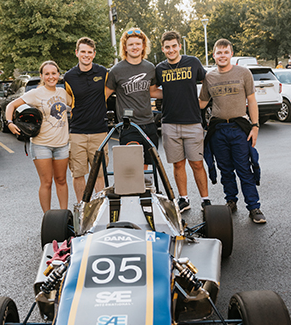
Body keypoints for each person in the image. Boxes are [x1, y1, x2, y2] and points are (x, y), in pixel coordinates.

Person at [199, 38, 266, 224]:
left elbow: (252, 101)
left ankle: (254, 207)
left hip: (239, 128)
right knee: (225, 169)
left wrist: (255, 126)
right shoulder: (209, 77)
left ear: (231, 54)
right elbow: (202, 103)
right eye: (218, 53)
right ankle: (231, 201)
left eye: (225, 52)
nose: (222, 55)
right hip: (218, 129)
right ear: (213, 55)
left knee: (244, 168)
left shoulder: (243, 73)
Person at [155, 30, 211, 212]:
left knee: (197, 163)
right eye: (167, 47)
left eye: (174, 46)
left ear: (179, 46)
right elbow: (152, 90)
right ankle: (184, 199)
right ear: (163, 49)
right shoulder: (160, 69)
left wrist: (202, 102)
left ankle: (205, 200)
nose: (171, 50)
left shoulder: (192, 62)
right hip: (170, 123)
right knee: (178, 164)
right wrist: (170, 94)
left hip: (193, 121)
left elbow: (207, 81)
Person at [6, 60, 72, 213]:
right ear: (42, 76)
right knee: (46, 182)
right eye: (47, 74)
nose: (51, 77)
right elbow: (11, 105)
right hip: (42, 144)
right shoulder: (36, 93)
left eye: (53, 73)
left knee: (61, 180)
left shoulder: (63, 93)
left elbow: (76, 106)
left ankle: (63, 217)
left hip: (62, 144)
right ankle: (48, 218)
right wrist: (9, 122)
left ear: (58, 75)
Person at [106, 27, 158, 169]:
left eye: (137, 44)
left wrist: (179, 92)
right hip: (129, 126)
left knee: (147, 164)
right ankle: (134, 189)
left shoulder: (150, 68)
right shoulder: (116, 70)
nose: (134, 47)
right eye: (131, 44)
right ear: (125, 47)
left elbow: (153, 92)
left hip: (148, 123)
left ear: (143, 46)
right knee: (131, 166)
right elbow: (103, 96)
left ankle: (144, 189)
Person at [64, 37, 108, 202]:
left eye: (89, 52)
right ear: (77, 53)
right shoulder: (69, 77)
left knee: (99, 174)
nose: (86, 55)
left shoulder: (103, 73)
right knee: (78, 173)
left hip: (99, 132)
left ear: (94, 54)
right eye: (83, 51)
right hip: (77, 133)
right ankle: (82, 208)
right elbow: (68, 101)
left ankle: (100, 206)